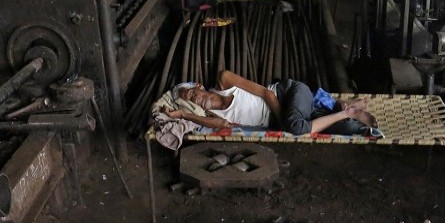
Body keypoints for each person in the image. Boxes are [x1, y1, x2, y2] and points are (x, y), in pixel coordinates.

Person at [161, 70, 376, 135]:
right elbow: (221, 126)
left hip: (289, 93)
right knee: (348, 129)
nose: (194, 100)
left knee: (296, 127)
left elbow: (267, 94)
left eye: (191, 94)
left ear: (198, 86)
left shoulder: (225, 79)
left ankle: (345, 111)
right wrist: (183, 115)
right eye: (190, 103)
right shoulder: (214, 117)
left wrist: (285, 122)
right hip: (295, 115)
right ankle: (346, 112)